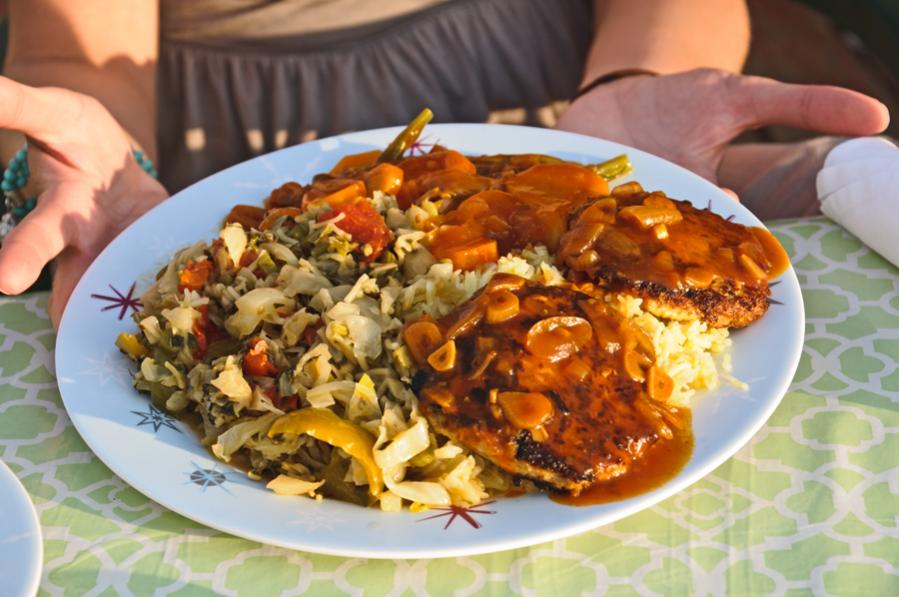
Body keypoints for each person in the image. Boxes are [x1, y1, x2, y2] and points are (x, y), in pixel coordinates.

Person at [0, 0, 889, 326]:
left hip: (570, 117)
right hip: (233, 169)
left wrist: (631, 91)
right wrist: (87, 158)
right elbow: (77, 52)